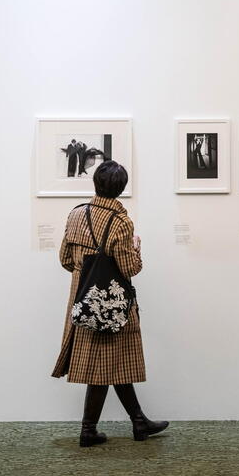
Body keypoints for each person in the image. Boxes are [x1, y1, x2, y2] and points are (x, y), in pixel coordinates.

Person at [52, 160, 169, 447]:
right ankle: (90, 430)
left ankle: (136, 422)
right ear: (121, 188)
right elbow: (129, 269)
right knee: (107, 362)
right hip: (112, 304)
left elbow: (65, 259)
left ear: (95, 182)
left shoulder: (76, 214)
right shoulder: (121, 222)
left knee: (109, 363)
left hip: (82, 300)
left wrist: (86, 273)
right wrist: (137, 248)